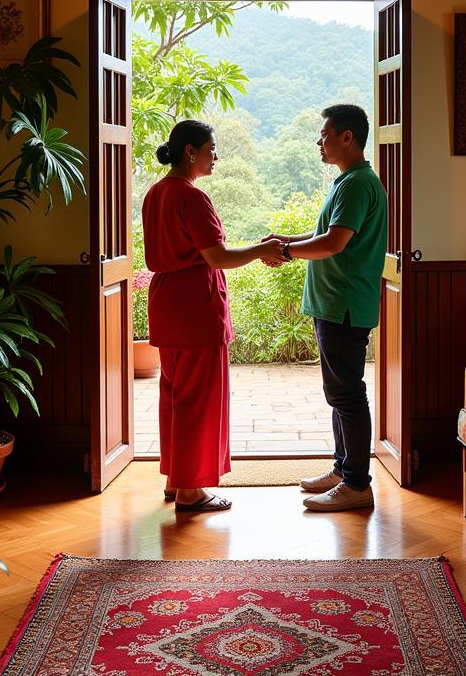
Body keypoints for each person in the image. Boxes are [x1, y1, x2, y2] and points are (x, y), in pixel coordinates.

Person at [142, 119, 286, 512]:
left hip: (166, 302)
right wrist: (262, 250)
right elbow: (217, 257)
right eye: (211, 149)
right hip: (193, 305)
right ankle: (190, 490)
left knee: (175, 394)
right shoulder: (191, 197)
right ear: (191, 152)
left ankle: (177, 480)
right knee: (198, 400)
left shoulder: (156, 192)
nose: (216, 156)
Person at [265, 104, 388, 511]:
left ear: (346, 137)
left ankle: (356, 484)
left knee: (347, 394)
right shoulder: (350, 181)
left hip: (344, 304)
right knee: (339, 393)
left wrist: (285, 249)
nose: (319, 142)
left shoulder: (356, 184)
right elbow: (328, 234)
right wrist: (289, 239)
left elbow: (333, 244)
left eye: (324, 135)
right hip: (335, 303)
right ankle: (343, 469)